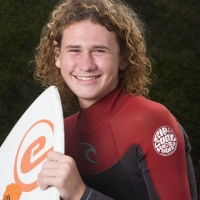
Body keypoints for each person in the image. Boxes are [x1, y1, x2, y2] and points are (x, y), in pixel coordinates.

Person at [34, 0, 197, 199]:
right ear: (57, 55)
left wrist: (81, 194)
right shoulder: (58, 134)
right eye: (74, 50)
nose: (86, 65)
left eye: (99, 50)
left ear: (123, 57)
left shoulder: (152, 121)